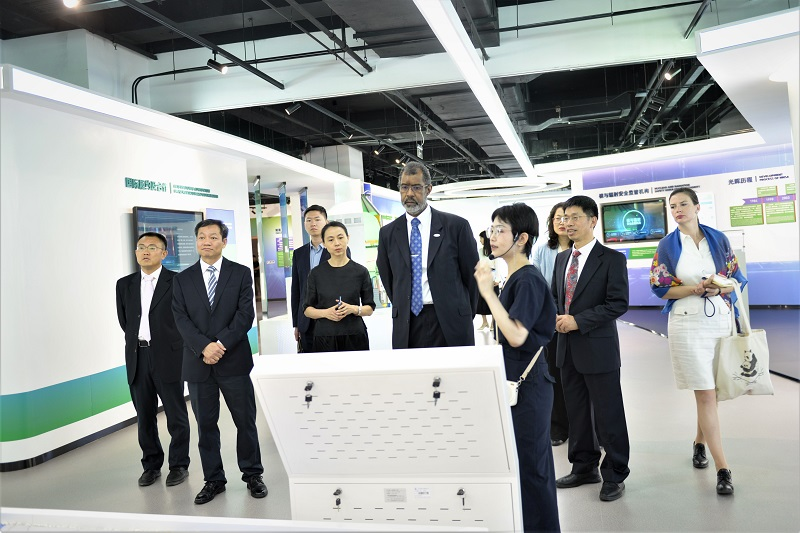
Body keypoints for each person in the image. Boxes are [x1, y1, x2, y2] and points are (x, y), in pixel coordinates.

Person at [650, 187, 746, 495]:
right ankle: (723, 468)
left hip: (719, 321)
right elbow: (660, 287)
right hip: (687, 323)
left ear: (697, 207)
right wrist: (695, 289)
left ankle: (699, 442)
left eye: (683, 204)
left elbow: (735, 279)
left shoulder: (718, 239)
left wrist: (718, 288)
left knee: (711, 393)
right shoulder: (667, 245)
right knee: (704, 394)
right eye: (672, 206)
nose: (677, 210)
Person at [474, 203, 559, 532]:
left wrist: (488, 293)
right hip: (520, 383)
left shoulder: (527, 280)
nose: (492, 237)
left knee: (533, 469)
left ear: (521, 238)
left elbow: (516, 335)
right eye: (491, 229)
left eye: (500, 230)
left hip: (530, 384)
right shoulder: (515, 277)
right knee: (526, 466)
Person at [172, 219, 267, 505]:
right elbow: (180, 319)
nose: (206, 241)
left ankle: (252, 474)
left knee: (245, 421)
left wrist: (220, 344)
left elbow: (245, 315)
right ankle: (213, 479)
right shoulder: (182, 279)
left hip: (233, 360)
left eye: (213, 237)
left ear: (224, 242)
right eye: (201, 237)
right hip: (198, 363)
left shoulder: (240, 273)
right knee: (206, 426)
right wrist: (204, 346)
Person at [552, 195, 630, 502]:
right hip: (566, 349)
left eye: (574, 217)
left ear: (592, 221)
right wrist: (555, 317)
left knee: (608, 415)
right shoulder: (562, 259)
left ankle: (615, 473)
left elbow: (617, 303)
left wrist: (578, 321)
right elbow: (557, 298)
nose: (567, 223)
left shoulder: (611, 259)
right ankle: (584, 466)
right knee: (577, 413)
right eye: (564, 218)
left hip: (598, 349)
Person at [376, 161, 479, 349]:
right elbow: (388, 278)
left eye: (416, 187)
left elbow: (472, 277)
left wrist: (463, 312)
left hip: (451, 320)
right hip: (408, 323)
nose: (409, 194)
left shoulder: (456, 227)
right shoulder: (388, 234)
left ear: (428, 189)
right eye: (404, 187)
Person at [116, 232, 190, 488]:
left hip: (169, 356)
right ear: (136, 252)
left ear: (164, 253)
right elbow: (125, 322)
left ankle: (179, 465)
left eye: (152, 247)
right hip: (138, 356)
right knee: (144, 417)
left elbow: (184, 320)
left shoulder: (178, 281)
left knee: (176, 415)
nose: (145, 251)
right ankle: (151, 465)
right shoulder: (124, 284)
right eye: (141, 247)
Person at [532, 203, 573, 447]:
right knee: (554, 374)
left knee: (578, 376)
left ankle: (586, 428)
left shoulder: (581, 249)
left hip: (577, 320)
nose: (562, 222)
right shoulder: (542, 250)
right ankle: (558, 427)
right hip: (551, 319)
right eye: (558, 218)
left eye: (567, 218)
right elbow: (537, 283)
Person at [304, 221, 375, 351]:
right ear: (324, 244)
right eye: (330, 240)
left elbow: (369, 308)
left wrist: (353, 309)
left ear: (348, 238)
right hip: (325, 337)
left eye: (340, 237)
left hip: (355, 335)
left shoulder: (361, 272)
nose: (337, 243)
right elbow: (307, 309)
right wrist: (326, 313)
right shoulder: (316, 274)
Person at [291, 205, 332, 352]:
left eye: (317, 219)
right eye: (308, 220)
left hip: (330, 318)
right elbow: (296, 290)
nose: (313, 223)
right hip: (305, 322)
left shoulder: (336, 250)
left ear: (326, 222)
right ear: (304, 224)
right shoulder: (299, 254)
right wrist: (296, 324)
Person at [475, 230, 499, 331]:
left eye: (481, 238)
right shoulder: (480, 251)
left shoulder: (495, 250)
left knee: (493, 301)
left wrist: (497, 279)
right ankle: (484, 322)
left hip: (493, 277)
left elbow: (498, 265)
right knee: (481, 301)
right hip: (483, 277)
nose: (480, 240)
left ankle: (493, 324)